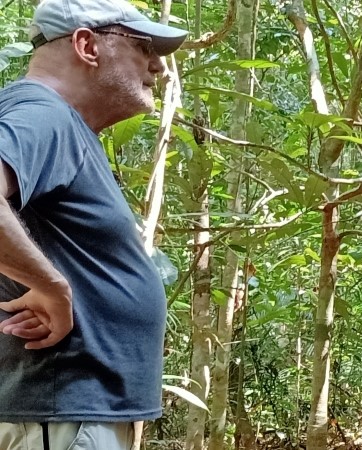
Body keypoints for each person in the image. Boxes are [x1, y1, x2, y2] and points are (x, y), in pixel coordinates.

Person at [0, 0, 187, 447]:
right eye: (144, 47)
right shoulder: (42, 112)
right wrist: (53, 287)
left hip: (66, 415)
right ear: (86, 44)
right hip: (58, 410)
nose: (158, 67)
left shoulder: (57, 122)